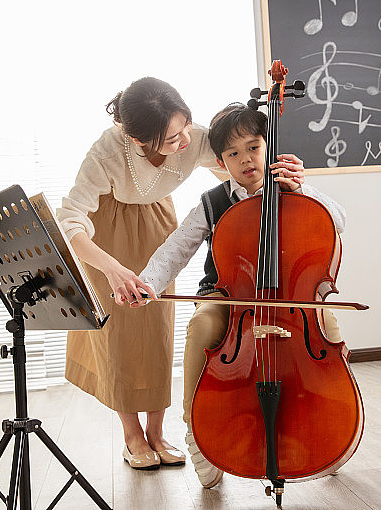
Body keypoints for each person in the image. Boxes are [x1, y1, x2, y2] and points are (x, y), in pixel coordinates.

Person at [129, 103, 346, 487]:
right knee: (201, 326)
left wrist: (304, 189)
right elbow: (176, 249)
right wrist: (147, 283)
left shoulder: (292, 190)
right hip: (227, 294)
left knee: (327, 322)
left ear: (269, 146)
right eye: (233, 153)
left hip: (291, 298)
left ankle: (333, 422)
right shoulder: (212, 202)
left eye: (253, 147)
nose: (245, 159)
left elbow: (338, 221)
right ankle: (196, 429)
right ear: (220, 160)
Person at [56, 77, 227, 471]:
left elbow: (233, 165)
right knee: (120, 333)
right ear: (138, 141)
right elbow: (70, 220)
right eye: (172, 138)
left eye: (186, 126)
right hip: (107, 233)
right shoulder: (106, 153)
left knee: (157, 330)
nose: (185, 141)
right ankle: (132, 434)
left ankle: (157, 432)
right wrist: (111, 268)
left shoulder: (192, 137)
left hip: (156, 223)